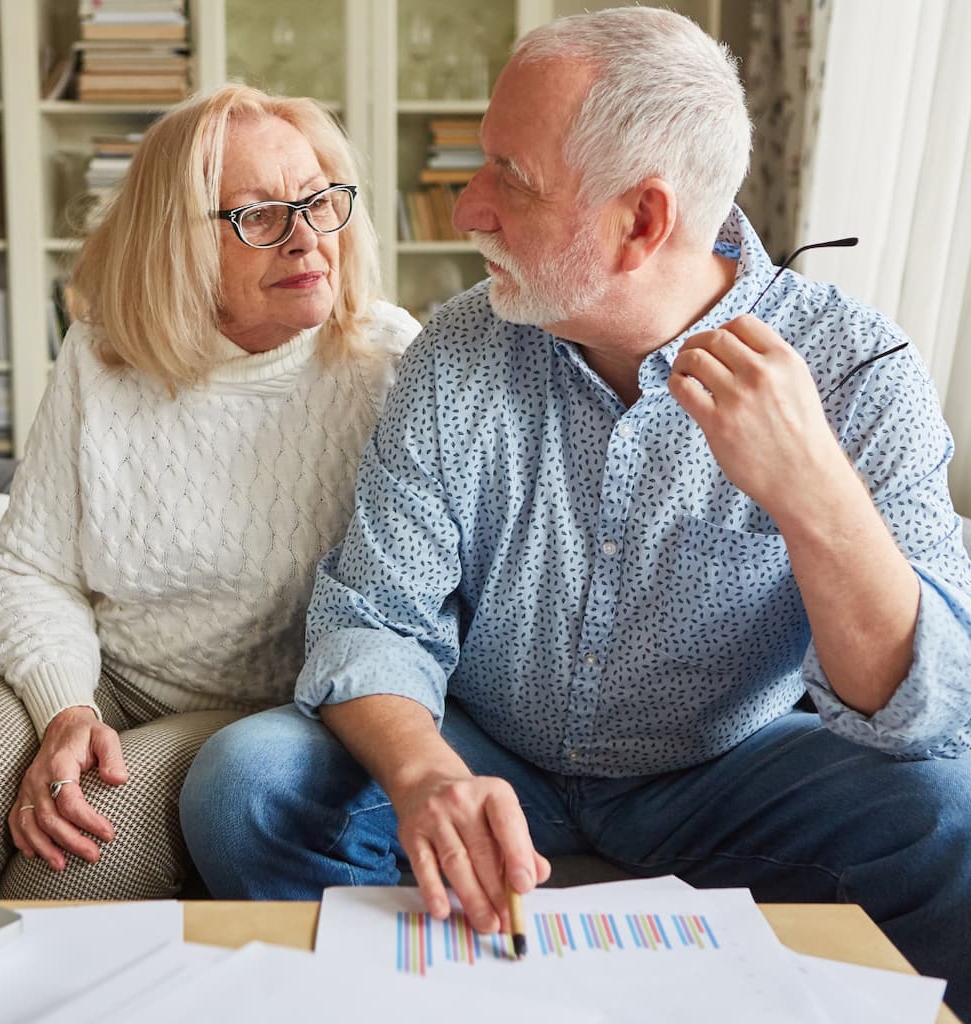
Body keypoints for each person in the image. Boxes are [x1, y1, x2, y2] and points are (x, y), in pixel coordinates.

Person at [180, 8, 971, 1016]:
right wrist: (425, 775)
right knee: (245, 785)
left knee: (954, 817)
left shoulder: (858, 370)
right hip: (493, 748)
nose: (465, 209)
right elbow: (372, 618)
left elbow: (926, 713)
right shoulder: (456, 356)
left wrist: (816, 497)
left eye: (508, 176)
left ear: (640, 220)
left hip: (735, 764)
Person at [0, 83, 420, 900]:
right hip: (97, 674)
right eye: (259, 214)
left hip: (254, 712)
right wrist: (67, 710)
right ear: (180, 242)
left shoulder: (387, 361)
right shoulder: (102, 356)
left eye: (320, 201)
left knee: (55, 876)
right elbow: (32, 568)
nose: (308, 240)